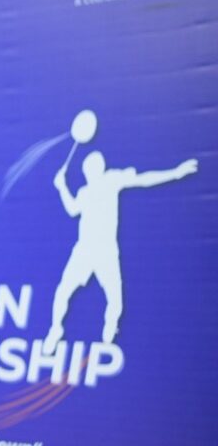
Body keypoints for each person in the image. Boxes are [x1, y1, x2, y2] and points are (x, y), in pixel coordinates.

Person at [43, 149, 197, 352]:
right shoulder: (84, 192)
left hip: (106, 251)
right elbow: (72, 209)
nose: (89, 171)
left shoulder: (112, 180)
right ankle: (55, 330)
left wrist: (175, 173)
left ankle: (108, 337)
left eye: (93, 167)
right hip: (84, 250)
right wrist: (62, 186)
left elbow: (143, 180)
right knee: (63, 291)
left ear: (100, 168)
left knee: (115, 300)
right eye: (87, 169)